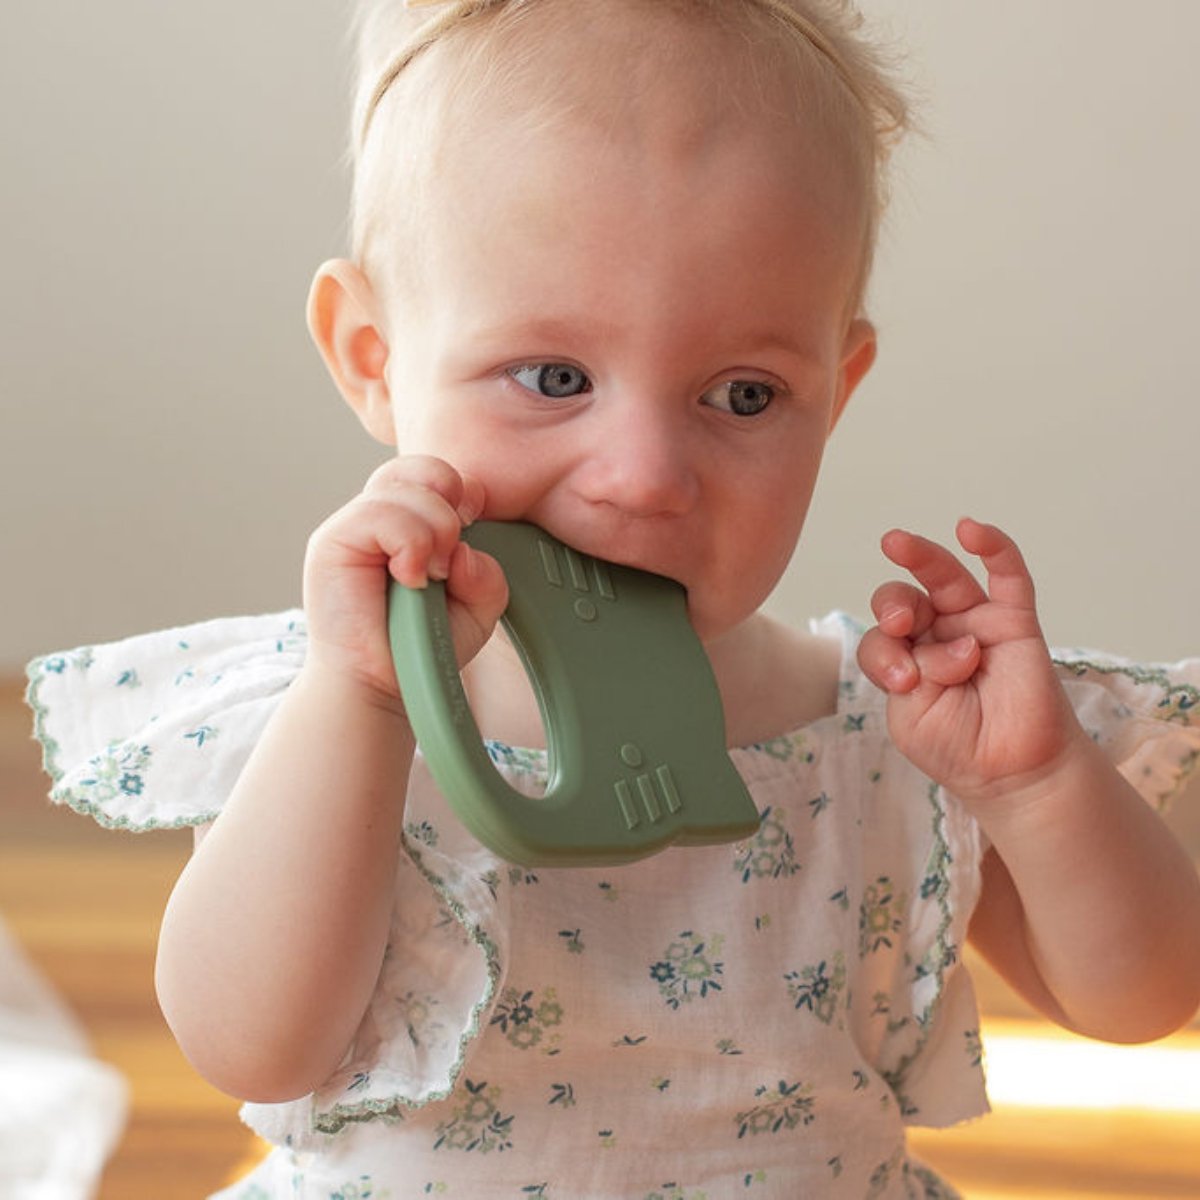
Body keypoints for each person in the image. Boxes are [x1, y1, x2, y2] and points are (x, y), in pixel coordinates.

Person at [25, 0, 1200, 1195]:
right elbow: (249, 1044)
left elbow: (1138, 1000)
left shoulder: (885, 730)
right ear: (373, 358)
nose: (644, 477)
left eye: (743, 395)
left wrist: (1038, 787)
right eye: (553, 377)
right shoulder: (336, 712)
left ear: (835, 391)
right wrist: (362, 702)